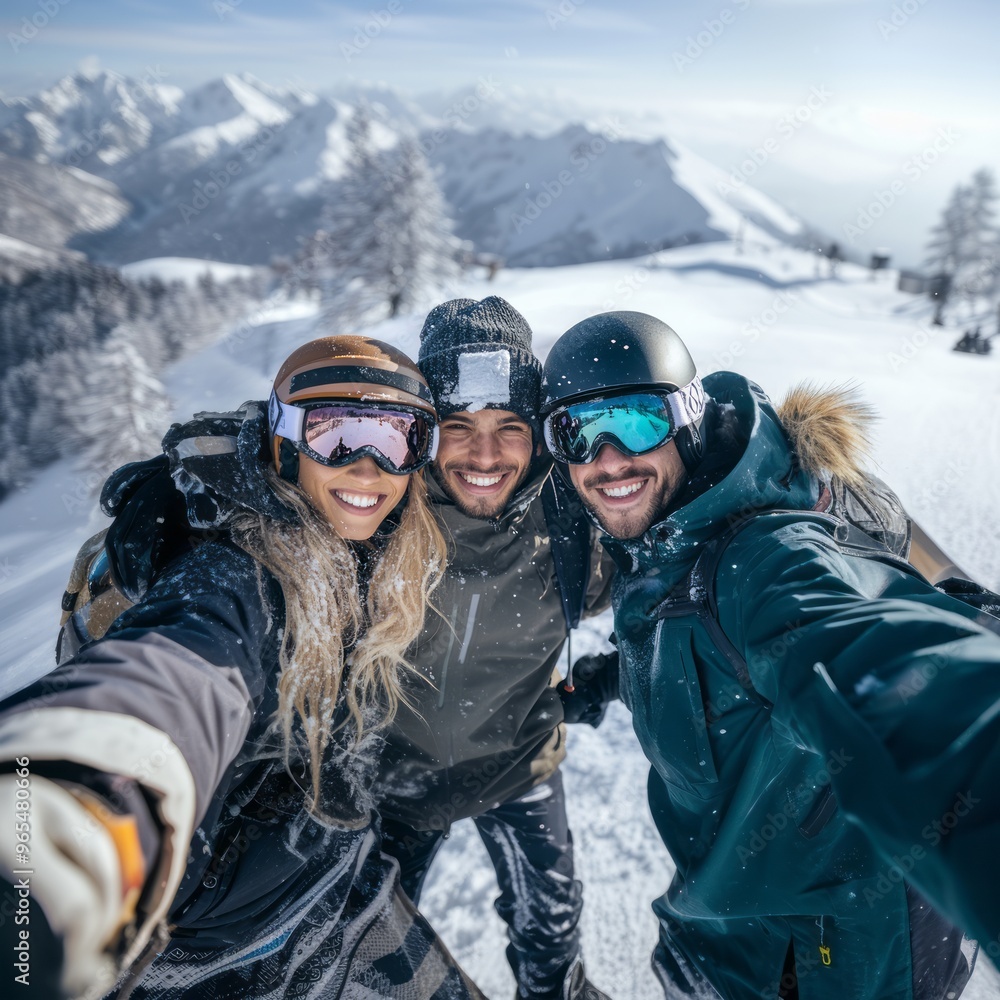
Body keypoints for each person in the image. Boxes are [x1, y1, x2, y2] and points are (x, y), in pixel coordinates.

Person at [0, 336, 487, 1000]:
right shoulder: (239, 570)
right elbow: (180, 677)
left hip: (326, 883)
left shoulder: (375, 545)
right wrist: (68, 826)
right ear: (283, 440)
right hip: (221, 952)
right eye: (337, 433)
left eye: (398, 438)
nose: (370, 465)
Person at [538, 310, 1000, 1000]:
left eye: (637, 421)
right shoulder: (664, 538)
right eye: (576, 432)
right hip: (726, 942)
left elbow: (884, 672)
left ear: (689, 419)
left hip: (831, 959)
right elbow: (704, 667)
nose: (607, 458)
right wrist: (606, 683)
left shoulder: (762, 559)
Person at [376, 297, 615, 1000]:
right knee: (369, 950)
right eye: (459, 426)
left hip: (519, 761)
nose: (485, 456)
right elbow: (302, 447)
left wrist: (608, 680)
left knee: (551, 933)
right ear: (424, 430)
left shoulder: (572, 522)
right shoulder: (377, 512)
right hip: (391, 776)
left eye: (509, 427)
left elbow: (672, 596)